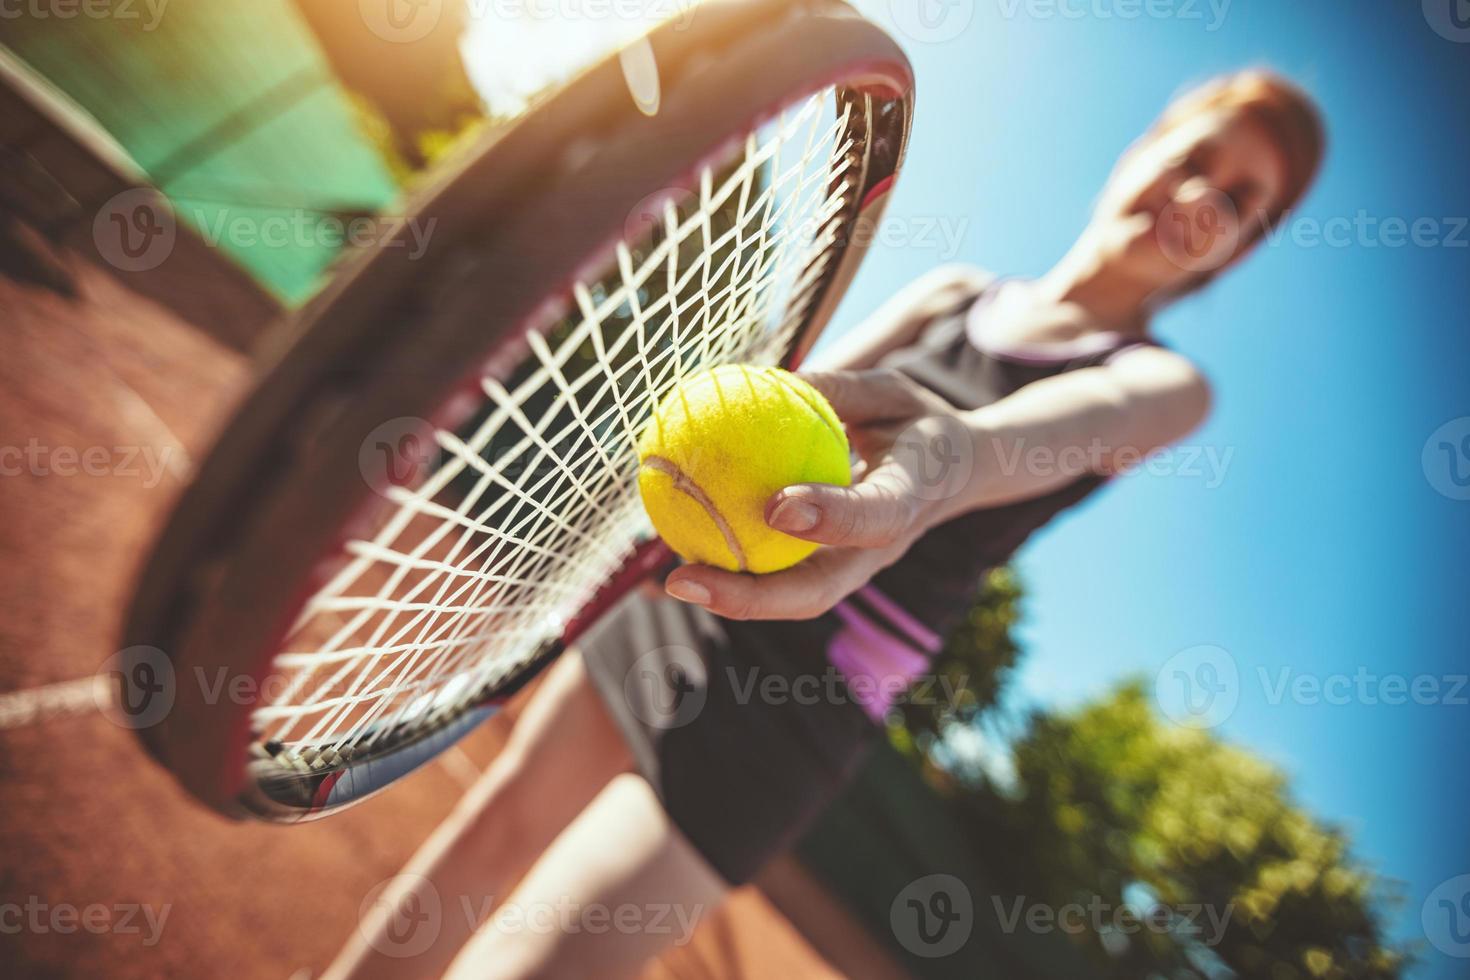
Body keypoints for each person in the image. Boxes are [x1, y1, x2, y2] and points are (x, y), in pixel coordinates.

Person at [325, 69, 1325, 980]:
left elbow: (1016, 441)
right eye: (1197, 159)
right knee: (491, 828)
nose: (1201, 198)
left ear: (1238, 248)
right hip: (691, 593)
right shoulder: (955, 291)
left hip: (806, 706)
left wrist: (939, 466)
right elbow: (789, 394)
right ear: (1145, 143)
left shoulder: (1161, 385)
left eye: (1240, 201)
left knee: (533, 961)